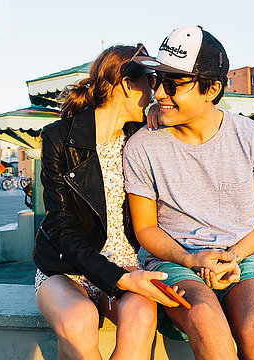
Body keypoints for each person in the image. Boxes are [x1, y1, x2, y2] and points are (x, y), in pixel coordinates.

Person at [124, 26, 254, 359]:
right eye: (156, 81)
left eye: (173, 84)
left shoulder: (252, 137)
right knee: (205, 320)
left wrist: (232, 257)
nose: (160, 94)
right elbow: (145, 228)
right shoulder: (142, 146)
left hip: (244, 256)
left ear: (211, 88)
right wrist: (192, 259)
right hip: (173, 259)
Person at [33, 44, 185, 359]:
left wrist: (168, 116)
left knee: (142, 315)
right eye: (151, 81)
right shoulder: (59, 138)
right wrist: (118, 277)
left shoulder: (142, 139)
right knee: (78, 319)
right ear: (128, 84)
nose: (155, 92)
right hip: (66, 267)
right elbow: (59, 226)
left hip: (126, 264)